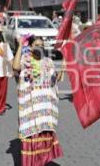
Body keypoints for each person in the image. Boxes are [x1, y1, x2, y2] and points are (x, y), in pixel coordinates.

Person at [13, 35, 64, 166]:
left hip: (46, 109)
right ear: (30, 47)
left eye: (42, 45)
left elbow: (55, 80)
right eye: (36, 45)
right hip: (31, 108)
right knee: (32, 137)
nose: (40, 47)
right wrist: (20, 46)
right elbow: (16, 67)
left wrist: (61, 65)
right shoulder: (25, 59)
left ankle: (41, 162)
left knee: (44, 136)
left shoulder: (48, 61)